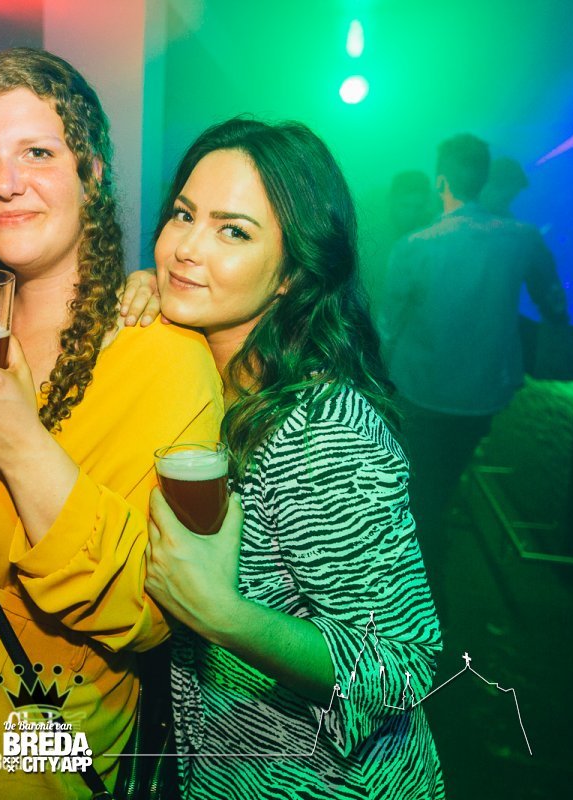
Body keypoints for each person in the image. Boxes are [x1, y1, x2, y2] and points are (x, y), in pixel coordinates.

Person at [0, 48, 222, 797]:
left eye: (37, 152)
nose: (5, 183)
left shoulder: (162, 357)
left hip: (34, 745)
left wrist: (20, 442)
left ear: (91, 172)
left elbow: (151, 611)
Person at [144, 117, 444, 799]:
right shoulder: (203, 383)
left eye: (233, 231)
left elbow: (401, 666)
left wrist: (224, 615)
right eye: (183, 215)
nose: (186, 248)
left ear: (292, 275)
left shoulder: (322, 430)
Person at [378, 134, 568, 601]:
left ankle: (425, 602)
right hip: (484, 396)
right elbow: (554, 304)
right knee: (439, 487)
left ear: (440, 180)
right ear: (483, 179)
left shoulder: (415, 246)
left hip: (420, 393)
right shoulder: (522, 238)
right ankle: (431, 580)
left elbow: (388, 329)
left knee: (422, 498)